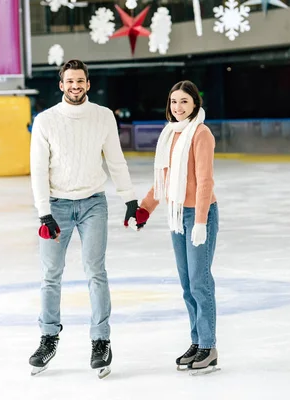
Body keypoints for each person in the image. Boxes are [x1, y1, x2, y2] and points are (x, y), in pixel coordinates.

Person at [28, 59, 139, 378]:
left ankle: (101, 340)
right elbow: (38, 169)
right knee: (51, 274)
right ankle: (48, 337)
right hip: (57, 205)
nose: (75, 86)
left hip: (93, 202)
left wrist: (129, 197)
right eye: (69, 81)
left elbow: (115, 160)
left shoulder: (103, 116)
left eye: (81, 81)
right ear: (61, 85)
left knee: (96, 272)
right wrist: (43, 211)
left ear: (88, 84)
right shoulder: (46, 121)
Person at [135, 80, 220, 373]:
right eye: (173, 102)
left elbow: (205, 181)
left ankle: (209, 346)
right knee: (187, 285)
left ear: (195, 103)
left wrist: (200, 220)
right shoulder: (170, 134)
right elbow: (165, 180)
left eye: (184, 101)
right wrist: (145, 208)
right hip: (175, 214)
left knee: (200, 281)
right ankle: (197, 341)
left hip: (199, 214)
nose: (178, 107)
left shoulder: (201, 133)